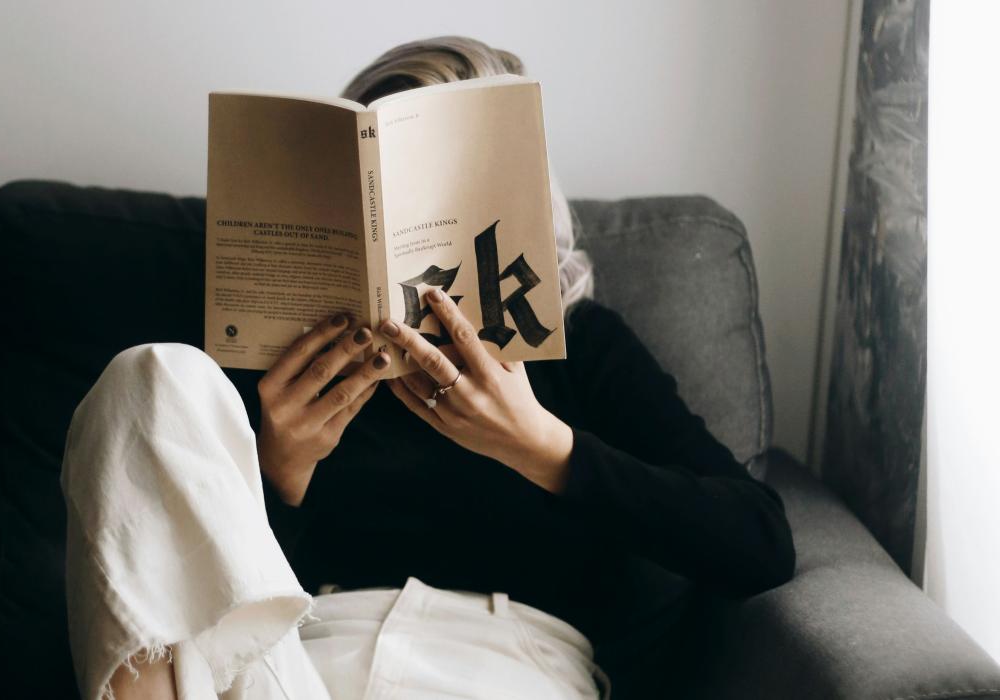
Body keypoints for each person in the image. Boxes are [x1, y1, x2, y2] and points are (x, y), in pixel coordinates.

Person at [60, 36, 796, 700]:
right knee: (148, 377)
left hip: (505, 669)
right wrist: (279, 471)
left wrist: (542, 447)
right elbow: (215, 596)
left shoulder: (583, 346)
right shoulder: (287, 354)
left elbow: (758, 544)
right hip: (299, 665)